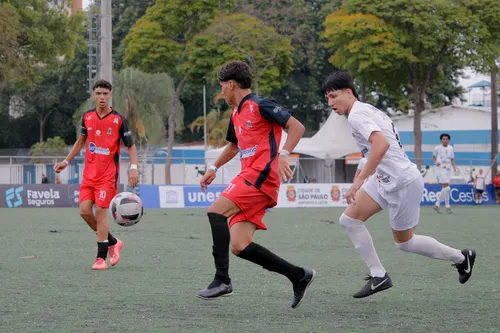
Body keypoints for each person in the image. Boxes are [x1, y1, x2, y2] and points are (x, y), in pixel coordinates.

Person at [322, 71, 476, 298]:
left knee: (405, 243)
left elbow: (381, 144)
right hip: (385, 179)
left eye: (334, 96)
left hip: (403, 182)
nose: (330, 103)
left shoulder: (357, 115)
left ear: (348, 92)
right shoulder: (365, 110)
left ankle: (462, 258)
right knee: (349, 220)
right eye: (327, 99)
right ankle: (379, 275)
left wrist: (359, 180)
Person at [196, 61, 315, 309]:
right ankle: (298, 275)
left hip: (261, 176)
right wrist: (213, 168)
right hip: (252, 178)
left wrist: (284, 154)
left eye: (222, 87)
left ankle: (222, 280)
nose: (222, 93)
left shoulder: (260, 104)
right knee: (239, 245)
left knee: (216, 211)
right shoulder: (236, 114)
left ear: (231, 84)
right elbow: (234, 145)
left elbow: (297, 126)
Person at [54, 79, 139, 270]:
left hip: (108, 175)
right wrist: (66, 161)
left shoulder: (118, 120)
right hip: (89, 176)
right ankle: (113, 242)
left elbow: (131, 146)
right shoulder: (87, 117)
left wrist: (133, 167)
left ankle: (100, 258)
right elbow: (80, 141)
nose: (102, 97)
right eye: (98, 93)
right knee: (84, 211)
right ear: (93, 95)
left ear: (110, 95)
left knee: (101, 212)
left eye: (105, 94)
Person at [432, 134, 456, 214]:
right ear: (441, 140)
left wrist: (454, 166)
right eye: (443, 139)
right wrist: (436, 162)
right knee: (447, 188)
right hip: (440, 168)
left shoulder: (451, 148)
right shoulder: (437, 148)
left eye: (446, 139)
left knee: (445, 188)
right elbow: (433, 157)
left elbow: (452, 158)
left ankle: (438, 205)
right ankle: (447, 206)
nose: (445, 140)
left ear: (449, 140)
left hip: (448, 169)